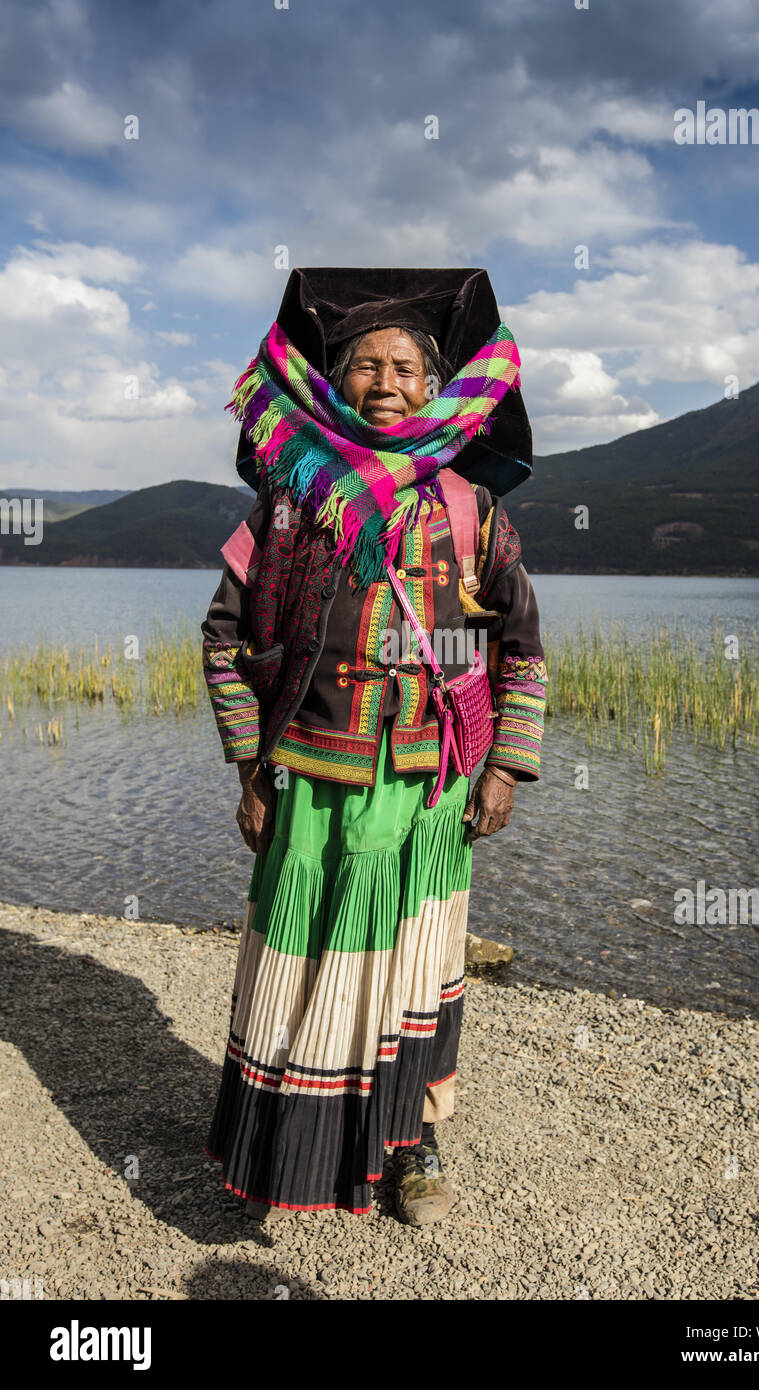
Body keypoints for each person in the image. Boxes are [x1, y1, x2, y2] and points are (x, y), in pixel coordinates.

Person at [201, 267, 548, 1225]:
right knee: (305, 973)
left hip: (429, 793)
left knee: (414, 967)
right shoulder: (289, 501)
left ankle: (413, 1148)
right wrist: (247, 770)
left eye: (406, 366)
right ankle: (281, 1147)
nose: (387, 380)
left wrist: (507, 766)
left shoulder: (474, 512)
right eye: (365, 364)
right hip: (309, 786)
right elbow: (224, 639)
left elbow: (520, 650)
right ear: (331, 381)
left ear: (439, 390)